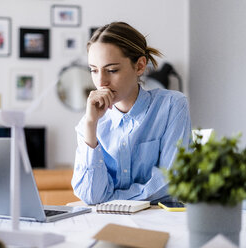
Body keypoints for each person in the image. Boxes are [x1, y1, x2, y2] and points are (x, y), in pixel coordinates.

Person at [71, 22, 192, 205]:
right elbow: (91, 196)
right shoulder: (89, 124)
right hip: (108, 222)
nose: (101, 81)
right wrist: (90, 126)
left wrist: (111, 198)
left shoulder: (172, 106)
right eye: (94, 70)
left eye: (112, 70)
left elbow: (172, 181)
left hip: (160, 221)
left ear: (140, 66)